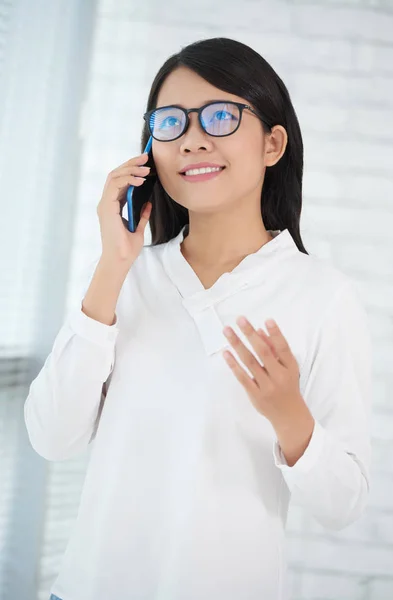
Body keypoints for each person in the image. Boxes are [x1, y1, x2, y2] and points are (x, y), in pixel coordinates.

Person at [25, 37, 372, 600]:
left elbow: (343, 506)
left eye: (220, 116)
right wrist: (114, 263)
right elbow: (52, 437)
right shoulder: (126, 277)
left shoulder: (321, 295)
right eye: (170, 123)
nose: (192, 140)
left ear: (272, 143)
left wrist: (290, 418)